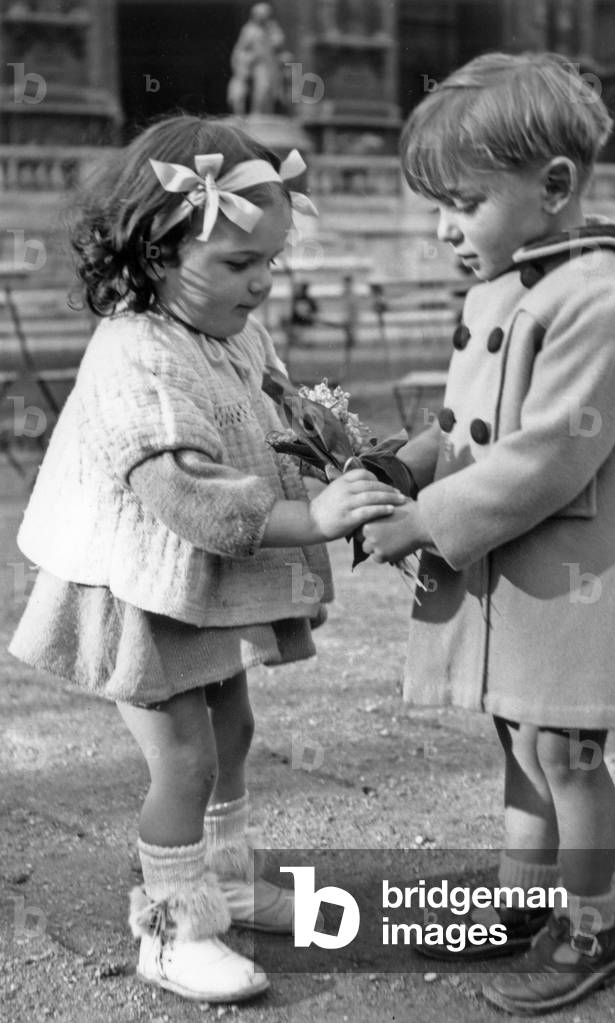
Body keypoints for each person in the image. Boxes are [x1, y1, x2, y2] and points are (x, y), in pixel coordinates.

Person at [361, 53, 615, 1016]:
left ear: (553, 188)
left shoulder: (605, 300)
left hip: (589, 563)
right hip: (529, 562)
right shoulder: (503, 284)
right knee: (520, 734)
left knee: (565, 752)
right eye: (438, 209)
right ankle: (519, 898)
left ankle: (594, 924)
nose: (445, 230)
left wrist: (426, 521)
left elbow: (547, 457)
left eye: (462, 204)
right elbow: (470, 424)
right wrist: (405, 465)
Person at [8, 115, 406, 1005]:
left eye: (271, 261)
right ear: (156, 253)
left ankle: (223, 877)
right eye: (237, 264)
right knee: (182, 757)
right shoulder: (136, 357)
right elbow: (182, 491)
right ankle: (171, 927)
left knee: (234, 732)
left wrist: (335, 447)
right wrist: (308, 519)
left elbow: (277, 413)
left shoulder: (229, 332)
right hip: (137, 588)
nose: (262, 283)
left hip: (194, 581)